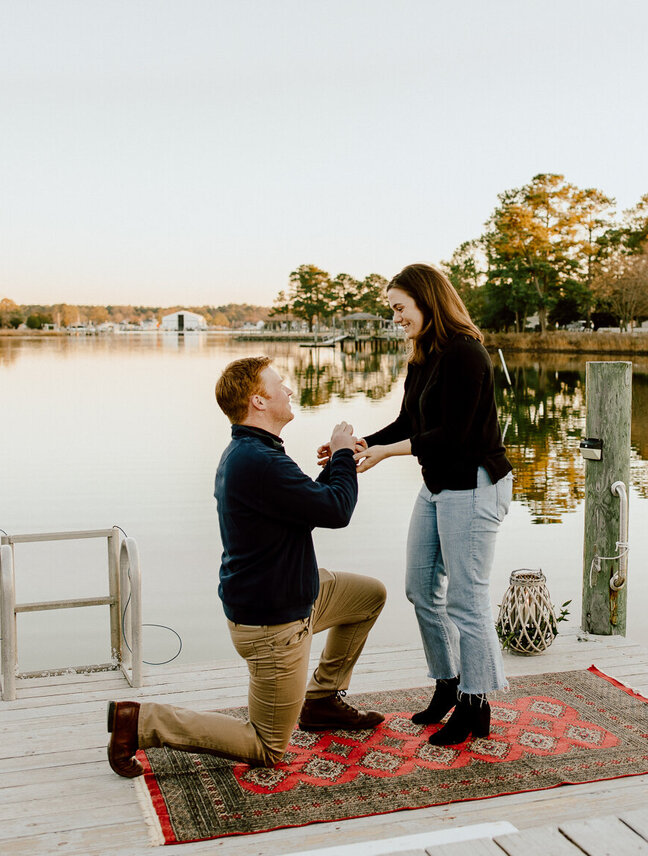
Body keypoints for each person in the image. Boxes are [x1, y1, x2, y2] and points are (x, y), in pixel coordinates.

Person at [107, 356, 387, 777]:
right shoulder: (259, 461)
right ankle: (142, 722)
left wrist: (337, 465)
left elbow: (313, 503)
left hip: (299, 593)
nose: (289, 390)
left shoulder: (256, 453)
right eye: (280, 384)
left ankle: (323, 699)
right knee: (267, 746)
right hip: (275, 626)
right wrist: (344, 456)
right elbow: (337, 509)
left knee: (369, 596)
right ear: (258, 400)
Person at [319, 263, 513, 747]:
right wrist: (361, 445)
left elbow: (455, 435)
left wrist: (387, 453)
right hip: (438, 485)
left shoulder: (467, 354)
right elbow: (409, 421)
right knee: (421, 588)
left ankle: (476, 705)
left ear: (428, 301)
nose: (396, 317)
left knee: (467, 600)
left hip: (473, 484)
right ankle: (448, 685)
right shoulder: (423, 356)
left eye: (400, 308)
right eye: (392, 310)